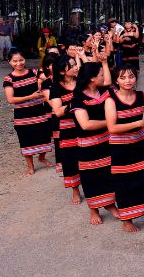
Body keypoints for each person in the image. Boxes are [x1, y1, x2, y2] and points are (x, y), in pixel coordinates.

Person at [105, 65, 144, 232]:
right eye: (123, 77)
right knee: (125, 182)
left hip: (140, 144)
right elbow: (112, 128)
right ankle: (127, 219)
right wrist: (138, 123)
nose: (128, 80)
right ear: (116, 81)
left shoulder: (140, 95)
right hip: (120, 147)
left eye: (131, 76)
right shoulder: (111, 100)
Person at [71, 58, 119, 225]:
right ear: (91, 78)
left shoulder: (104, 92)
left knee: (108, 173)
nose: (102, 77)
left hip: (107, 141)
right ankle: (94, 209)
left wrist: (104, 63)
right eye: (99, 74)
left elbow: (108, 81)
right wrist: (111, 123)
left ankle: (110, 204)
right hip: (89, 145)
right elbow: (85, 124)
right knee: (91, 177)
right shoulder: (78, 99)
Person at [2, 50, 54, 175]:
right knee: (26, 140)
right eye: (15, 61)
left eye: (21, 60)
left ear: (25, 60)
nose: (18, 63)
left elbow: (49, 80)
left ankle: (41, 157)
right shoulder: (9, 79)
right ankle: (30, 166)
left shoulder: (34, 73)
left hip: (39, 112)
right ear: (9, 62)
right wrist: (30, 97)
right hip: (22, 115)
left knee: (45, 136)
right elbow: (11, 99)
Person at [49, 54, 84, 203]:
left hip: (86, 124)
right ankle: (75, 189)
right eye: (72, 65)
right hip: (68, 127)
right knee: (70, 160)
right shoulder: (55, 87)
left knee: (89, 155)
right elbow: (57, 111)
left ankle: (94, 186)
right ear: (63, 71)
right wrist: (74, 104)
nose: (76, 67)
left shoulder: (82, 81)